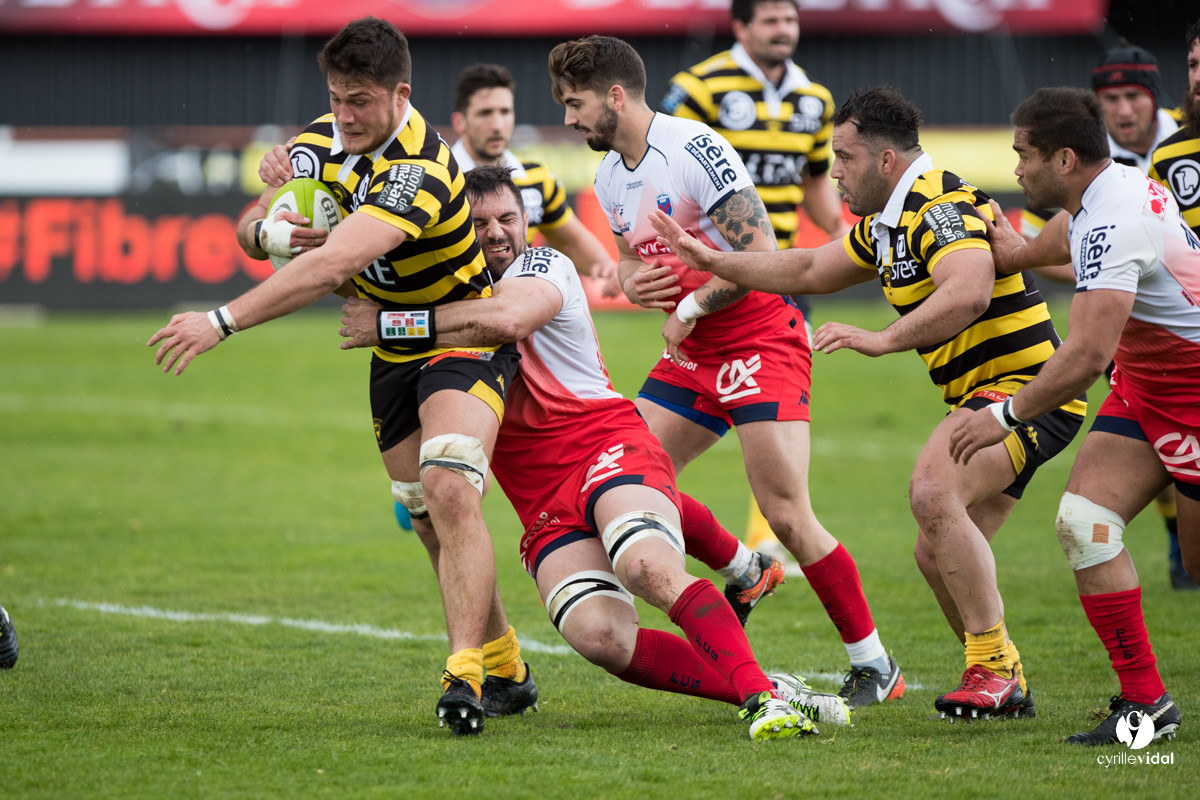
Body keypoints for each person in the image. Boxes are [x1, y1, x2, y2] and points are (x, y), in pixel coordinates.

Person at [341, 166, 846, 738]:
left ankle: (763, 699)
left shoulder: (542, 265)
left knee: (645, 567)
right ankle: (773, 687)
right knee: (599, 636)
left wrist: (389, 324)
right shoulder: (443, 297)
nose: (497, 232)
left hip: (604, 446)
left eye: (508, 218)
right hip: (540, 496)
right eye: (479, 223)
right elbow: (346, 263)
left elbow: (505, 319)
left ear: (526, 222)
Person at [147, 17, 535, 736]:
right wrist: (270, 229)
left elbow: (330, 267)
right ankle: (507, 664)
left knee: (452, 483)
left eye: (359, 101)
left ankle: (464, 677)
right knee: (426, 513)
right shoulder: (324, 138)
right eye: (335, 98)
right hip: (389, 352)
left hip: (459, 336)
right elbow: (251, 225)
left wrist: (220, 321)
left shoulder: (419, 169)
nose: (344, 115)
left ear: (400, 96)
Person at [650, 85, 1087, 721]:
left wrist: (883, 338)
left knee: (932, 491)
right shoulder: (887, 224)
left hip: (1028, 390)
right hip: (991, 395)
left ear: (885, 160)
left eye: (845, 158)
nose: (835, 173)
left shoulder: (938, 203)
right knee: (933, 550)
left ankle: (992, 669)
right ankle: (1001, 674)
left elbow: (967, 290)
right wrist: (714, 259)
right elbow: (806, 270)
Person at [548, 35, 903, 709]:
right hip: (694, 352)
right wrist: (634, 281)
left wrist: (687, 305)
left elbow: (761, 254)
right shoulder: (609, 175)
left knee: (786, 512)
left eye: (575, 103)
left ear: (615, 97)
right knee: (627, 476)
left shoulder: (693, 149)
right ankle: (746, 570)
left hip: (760, 338)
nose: (568, 119)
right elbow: (630, 263)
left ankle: (875, 664)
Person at [948, 86, 1196, 745]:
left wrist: (1003, 416)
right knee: (1086, 525)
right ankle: (1146, 702)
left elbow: (1085, 355)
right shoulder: (1108, 189)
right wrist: (1018, 251)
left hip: (1194, 392)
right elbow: (1068, 230)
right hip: (1148, 387)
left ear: (1062, 159)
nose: (1016, 168)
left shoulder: (1114, 223)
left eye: (1022, 154)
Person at [660, 0, 849, 570]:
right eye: (770, 21)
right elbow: (664, 161)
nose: (783, 30)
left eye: (790, 20)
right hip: (718, 274)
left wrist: (840, 232)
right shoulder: (701, 87)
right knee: (722, 406)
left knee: (772, 410)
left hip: (786, 276)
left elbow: (814, 180)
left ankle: (768, 537)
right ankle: (661, 512)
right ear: (741, 27)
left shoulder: (814, 99)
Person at [450, 63, 620, 294]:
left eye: (505, 112)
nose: (497, 125)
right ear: (459, 122)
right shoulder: (439, 180)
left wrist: (606, 268)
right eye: (485, 113)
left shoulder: (537, 178)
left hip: (516, 302)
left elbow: (570, 241)